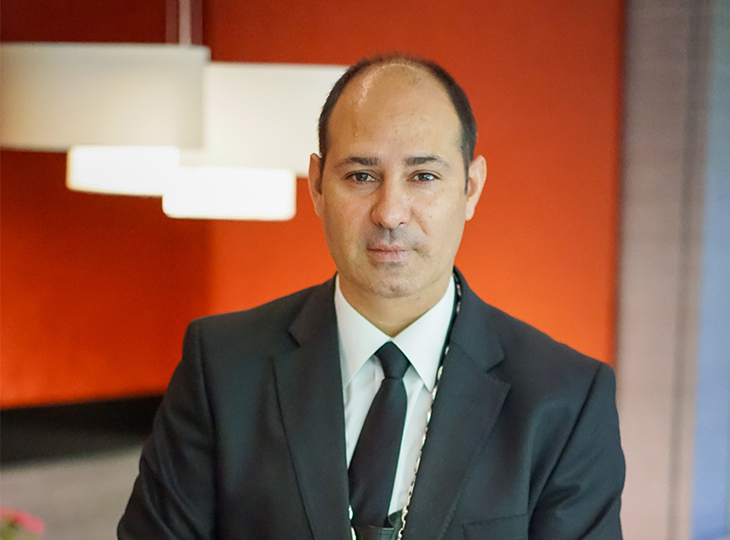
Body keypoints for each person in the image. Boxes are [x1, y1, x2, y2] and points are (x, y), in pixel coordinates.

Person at [118, 53, 625, 540]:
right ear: (317, 186)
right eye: (361, 176)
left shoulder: (564, 399)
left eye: (423, 176)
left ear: (470, 188)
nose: (390, 212)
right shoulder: (222, 366)